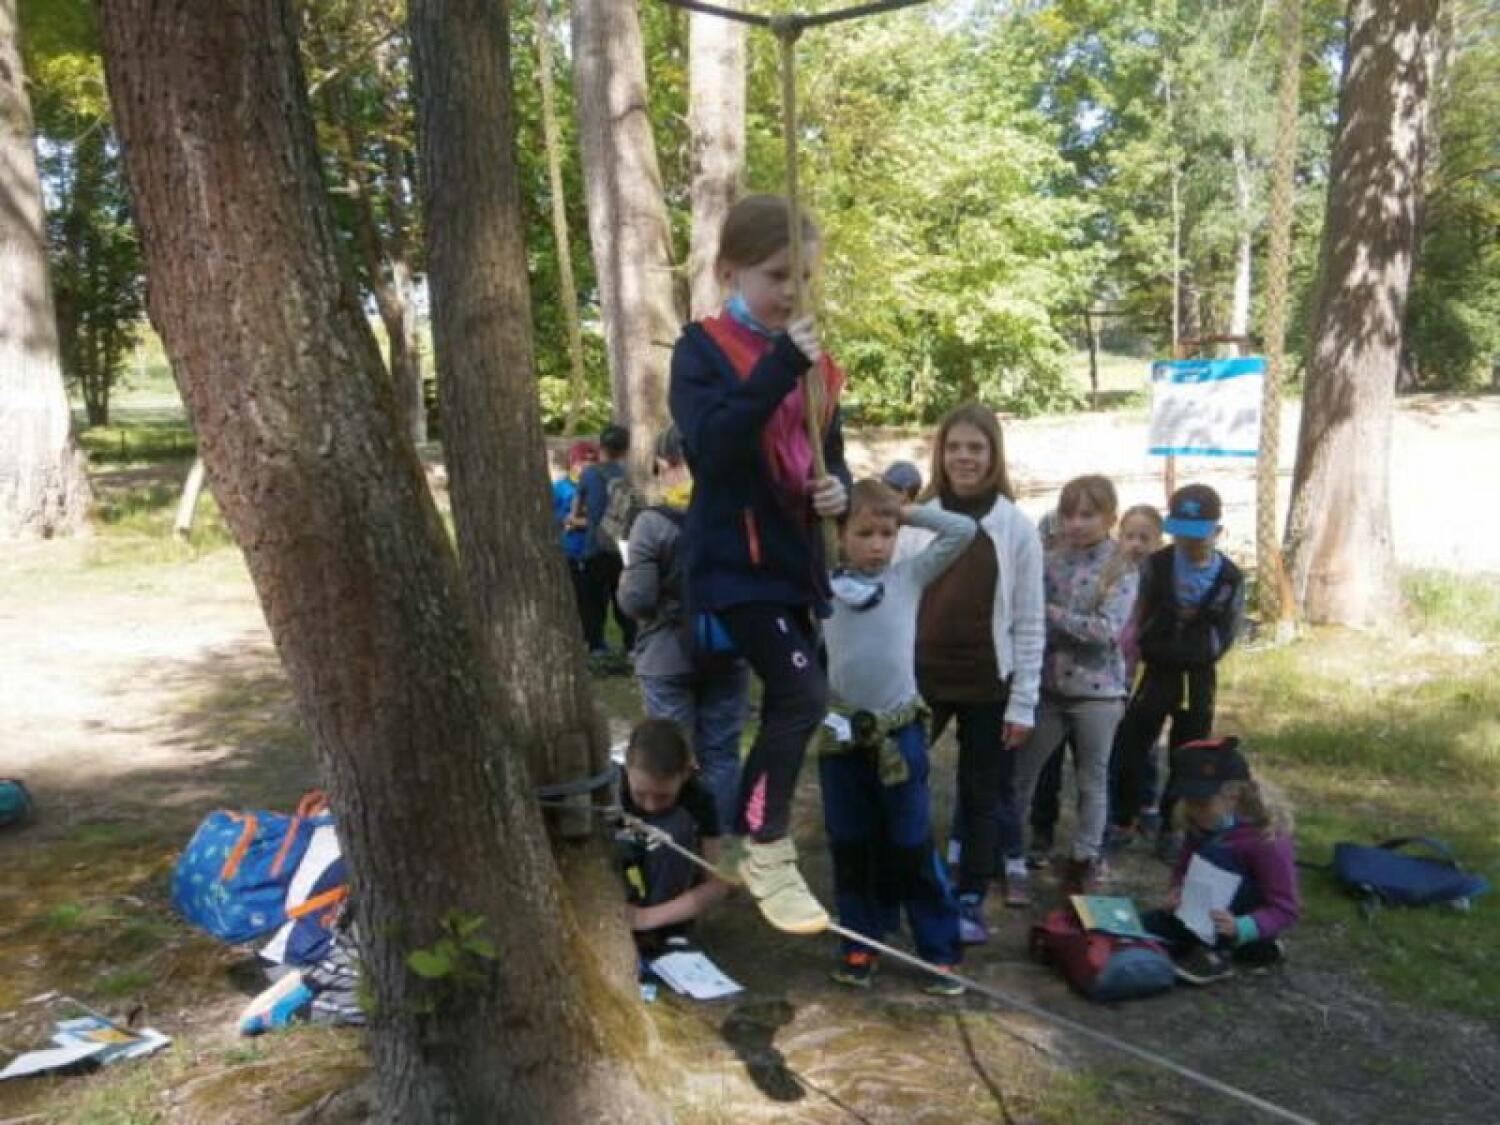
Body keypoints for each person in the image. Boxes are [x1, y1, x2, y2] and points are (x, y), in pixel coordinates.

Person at [668, 193, 851, 934]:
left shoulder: (816, 368)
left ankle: (758, 836)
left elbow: (827, 452)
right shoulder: (702, 351)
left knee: (796, 701)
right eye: (777, 276)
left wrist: (837, 490)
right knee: (804, 692)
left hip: (790, 565)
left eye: (804, 278)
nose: (791, 293)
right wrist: (779, 365)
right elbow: (713, 448)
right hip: (734, 563)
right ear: (729, 272)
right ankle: (764, 844)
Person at [820, 479, 976, 994]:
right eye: (864, 533)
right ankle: (860, 941)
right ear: (840, 535)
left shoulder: (908, 576)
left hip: (899, 732)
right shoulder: (823, 586)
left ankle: (939, 948)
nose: (877, 545)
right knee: (851, 842)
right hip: (842, 736)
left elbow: (962, 530)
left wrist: (903, 512)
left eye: (886, 534)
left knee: (910, 841)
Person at [900, 402, 1044, 942]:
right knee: (901, 779)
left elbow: (1029, 621)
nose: (964, 457)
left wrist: (1023, 701)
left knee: (983, 793)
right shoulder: (917, 519)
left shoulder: (1014, 528)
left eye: (976, 448)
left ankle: (969, 896)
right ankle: (906, 878)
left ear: (993, 455)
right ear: (940, 454)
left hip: (989, 681)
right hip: (922, 678)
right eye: (955, 447)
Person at [619, 425, 751, 832]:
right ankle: (721, 843)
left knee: (671, 756)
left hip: (665, 656)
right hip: (730, 648)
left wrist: (626, 584)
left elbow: (638, 601)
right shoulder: (741, 517)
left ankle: (680, 843)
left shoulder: (652, 524)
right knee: (722, 753)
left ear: (666, 464)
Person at [1010, 475, 1139, 895]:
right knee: (1021, 774)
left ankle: (1085, 857)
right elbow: (1024, 617)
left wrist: (1050, 614)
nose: (1076, 524)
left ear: (1109, 517)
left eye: (1087, 515)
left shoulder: (1121, 567)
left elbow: (1106, 630)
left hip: (1098, 694)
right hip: (1047, 690)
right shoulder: (1049, 561)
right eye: (1069, 515)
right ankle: (1009, 849)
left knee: (1092, 779)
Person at [1111, 484, 1244, 862]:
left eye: (1197, 535)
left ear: (1217, 532)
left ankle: (1172, 825)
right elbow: (1137, 612)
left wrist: (1205, 651)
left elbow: (1229, 627)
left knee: (1190, 752)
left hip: (1198, 675)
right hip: (1158, 670)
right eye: (1181, 534)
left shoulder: (1229, 577)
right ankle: (1124, 817)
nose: (1188, 542)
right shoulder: (1158, 566)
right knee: (1132, 743)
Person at [1140, 737, 1300, 985]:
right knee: (1142, 928)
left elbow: (1285, 908)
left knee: (1222, 858)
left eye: (1202, 803)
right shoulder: (1199, 824)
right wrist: (1177, 890)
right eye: (1188, 801)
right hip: (1198, 912)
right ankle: (1206, 942)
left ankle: (1235, 949)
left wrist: (1242, 927)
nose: (1194, 810)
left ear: (1233, 796)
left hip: (1238, 919)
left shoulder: (1267, 841)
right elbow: (1184, 868)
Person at [617, 719, 731, 957]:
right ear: (627, 765)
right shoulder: (611, 786)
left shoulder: (698, 800)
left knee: (676, 824)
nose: (650, 806)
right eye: (640, 794)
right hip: (624, 870)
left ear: (685, 774)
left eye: (663, 796)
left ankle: (666, 934)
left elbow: (718, 884)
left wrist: (647, 918)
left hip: (665, 892)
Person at [569, 424, 639, 669]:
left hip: (595, 546)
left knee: (593, 602)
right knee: (623, 599)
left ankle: (597, 648)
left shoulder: (589, 474)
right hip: (623, 547)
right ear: (626, 450)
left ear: (601, 447)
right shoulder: (629, 476)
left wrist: (577, 519)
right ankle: (632, 646)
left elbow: (576, 510)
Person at [552, 440, 599, 646]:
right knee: (576, 599)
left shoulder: (600, 487)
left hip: (594, 551)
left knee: (596, 601)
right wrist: (566, 520)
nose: (587, 468)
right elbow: (551, 517)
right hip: (570, 552)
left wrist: (582, 521)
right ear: (572, 464)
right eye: (582, 463)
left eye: (592, 464)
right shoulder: (560, 488)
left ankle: (597, 642)